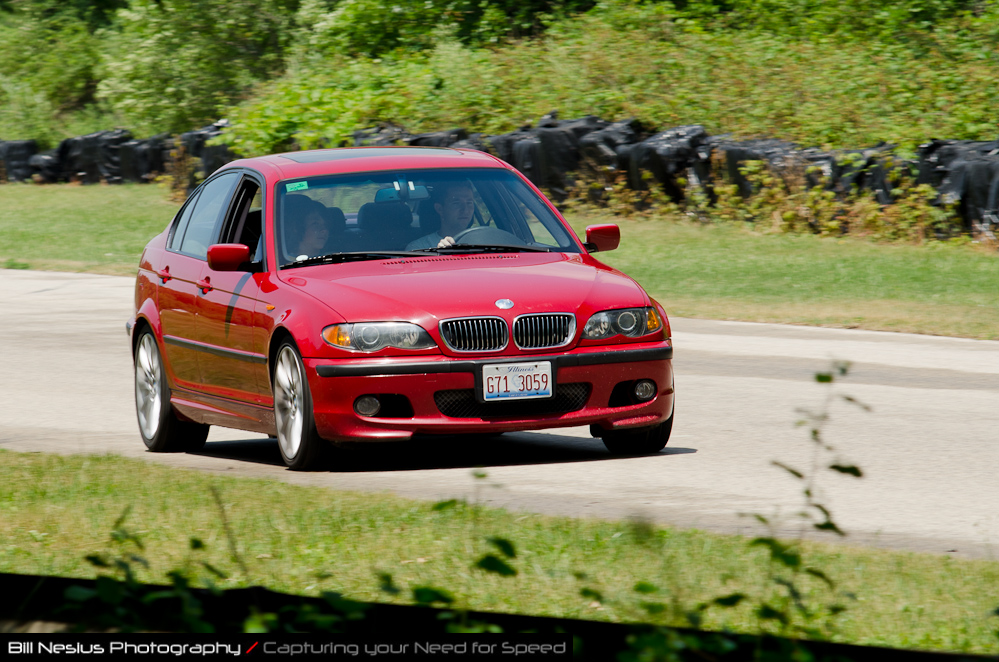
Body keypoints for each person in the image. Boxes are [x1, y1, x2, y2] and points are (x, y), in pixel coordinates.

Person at [406, 182, 476, 250]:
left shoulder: (483, 241)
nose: (465, 210)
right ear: (440, 209)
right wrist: (440, 255)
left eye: (469, 203)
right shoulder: (419, 248)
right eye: (456, 203)